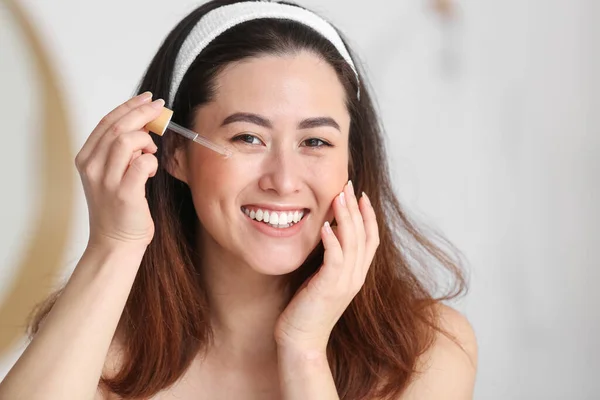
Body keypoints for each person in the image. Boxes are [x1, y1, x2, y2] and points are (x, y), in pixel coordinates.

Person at [0, 0, 477, 399]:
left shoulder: (426, 350)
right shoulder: (103, 348)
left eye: (315, 142)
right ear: (176, 153)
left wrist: (305, 351)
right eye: (248, 138)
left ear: (352, 161)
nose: (284, 180)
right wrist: (115, 243)